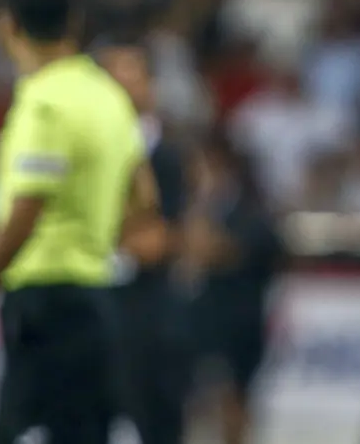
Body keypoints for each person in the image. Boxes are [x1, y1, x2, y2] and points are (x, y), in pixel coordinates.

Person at [0, 0, 158, 444]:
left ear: (7, 26)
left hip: (44, 300)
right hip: (97, 297)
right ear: (73, 23)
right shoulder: (108, 96)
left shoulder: (43, 103)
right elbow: (145, 197)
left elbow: (22, 216)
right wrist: (91, 229)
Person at [99, 45, 190, 444]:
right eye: (113, 79)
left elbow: (157, 242)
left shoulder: (166, 156)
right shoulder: (90, 153)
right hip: (96, 304)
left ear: (150, 86)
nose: (122, 88)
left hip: (145, 311)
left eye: (131, 78)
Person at [183, 133, 283, 444]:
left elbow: (222, 251)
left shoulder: (250, 209)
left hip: (237, 321)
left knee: (233, 396)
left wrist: (198, 219)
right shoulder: (197, 206)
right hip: (199, 318)